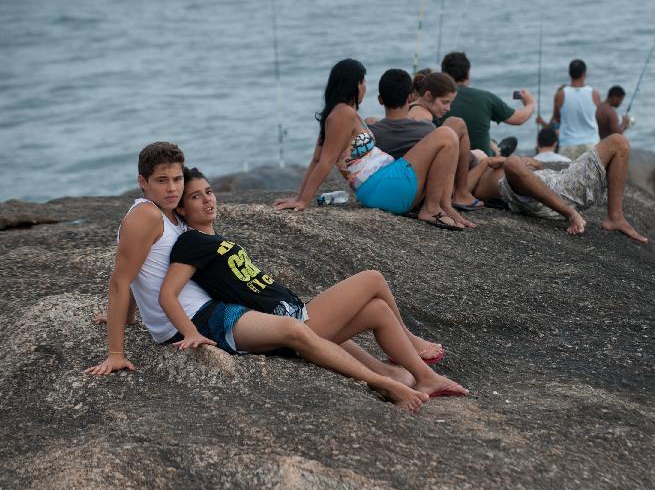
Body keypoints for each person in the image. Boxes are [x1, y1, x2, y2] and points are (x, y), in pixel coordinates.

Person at [85, 144, 465, 412]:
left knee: (359, 313)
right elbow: (123, 278)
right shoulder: (146, 216)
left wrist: (131, 316)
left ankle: (406, 373)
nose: (171, 188)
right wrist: (116, 352)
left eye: (175, 180)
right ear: (142, 182)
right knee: (299, 329)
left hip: (214, 309)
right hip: (202, 318)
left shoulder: (171, 217)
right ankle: (384, 382)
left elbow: (141, 273)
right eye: (161, 181)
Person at [274, 59, 473, 230]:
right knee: (446, 134)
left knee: (447, 135)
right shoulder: (343, 113)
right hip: (382, 185)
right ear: (354, 84)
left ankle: (443, 206)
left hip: (381, 184)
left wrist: (300, 197)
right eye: (363, 82)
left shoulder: (337, 114)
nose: (365, 87)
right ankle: (432, 208)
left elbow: (316, 159)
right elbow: (325, 161)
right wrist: (303, 200)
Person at [470, 134, 648, 242]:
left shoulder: (486, 171)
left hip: (556, 186)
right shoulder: (473, 179)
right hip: (559, 195)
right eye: (481, 156)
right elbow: (461, 191)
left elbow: (535, 183)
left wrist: (536, 165)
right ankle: (600, 216)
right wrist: (486, 162)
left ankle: (615, 217)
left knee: (620, 143)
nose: (486, 156)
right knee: (618, 142)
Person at [370, 69, 484, 211]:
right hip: (420, 192)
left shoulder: (371, 132)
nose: (448, 108)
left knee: (479, 154)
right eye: (445, 102)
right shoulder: (426, 129)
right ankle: (461, 194)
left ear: (380, 99)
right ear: (411, 97)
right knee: (463, 132)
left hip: (390, 188)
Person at [440, 52, 535, 156]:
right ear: (467, 73)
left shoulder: (436, 100)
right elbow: (519, 118)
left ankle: (496, 148)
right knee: (500, 144)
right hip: (482, 162)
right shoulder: (485, 97)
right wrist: (530, 103)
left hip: (446, 159)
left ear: (443, 74)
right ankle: (498, 152)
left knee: (491, 142)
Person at [536, 59, 602, 159]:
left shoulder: (560, 95)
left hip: (568, 144)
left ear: (569, 74)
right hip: (591, 143)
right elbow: (598, 117)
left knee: (569, 174)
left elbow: (557, 119)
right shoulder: (595, 94)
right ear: (584, 74)